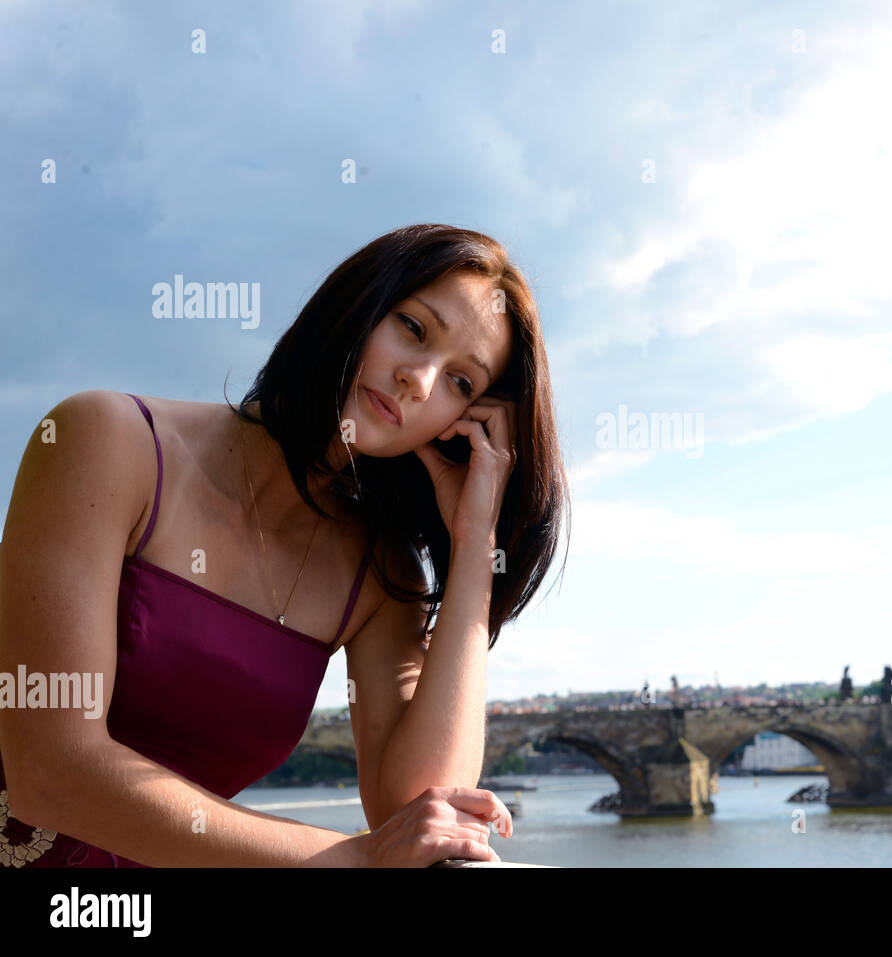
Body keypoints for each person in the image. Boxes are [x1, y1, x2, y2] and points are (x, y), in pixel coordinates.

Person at [0, 224, 570, 867]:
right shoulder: (105, 441)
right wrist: (350, 859)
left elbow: (421, 808)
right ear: (355, 303)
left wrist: (473, 547)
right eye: (413, 329)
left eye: (461, 384)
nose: (419, 379)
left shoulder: (378, 573)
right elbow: (49, 771)